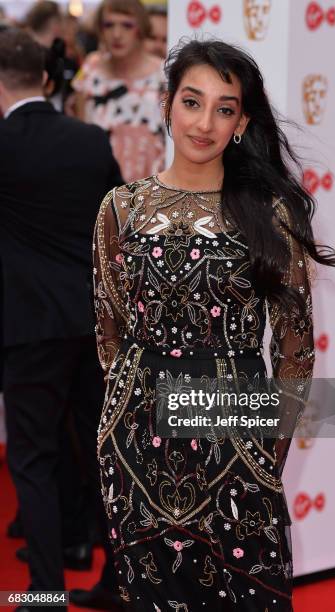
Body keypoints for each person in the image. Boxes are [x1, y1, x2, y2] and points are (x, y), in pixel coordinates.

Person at [93, 39, 335, 611]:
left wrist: (266, 452)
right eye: (192, 102)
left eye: (224, 107)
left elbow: (295, 350)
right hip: (135, 444)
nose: (204, 122)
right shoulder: (120, 207)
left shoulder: (268, 213)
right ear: (167, 107)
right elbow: (108, 330)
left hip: (234, 431)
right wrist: (124, 417)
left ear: (241, 122)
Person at [0, 28, 123, 609]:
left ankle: (45, 592)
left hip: (27, 325)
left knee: (33, 457)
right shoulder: (91, 140)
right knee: (101, 452)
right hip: (92, 324)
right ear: (46, 78)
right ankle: (116, 580)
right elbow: (115, 228)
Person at [72, 0, 166, 183]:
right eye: (109, 25)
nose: (116, 34)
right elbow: (80, 130)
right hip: (98, 183)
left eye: (127, 25)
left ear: (141, 29)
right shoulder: (91, 69)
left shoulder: (164, 74)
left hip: (151, 189)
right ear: (100, 30)